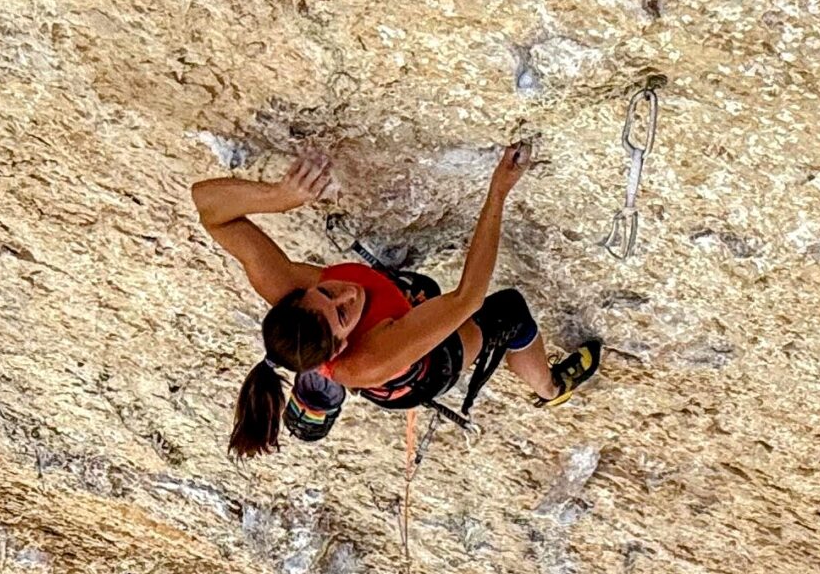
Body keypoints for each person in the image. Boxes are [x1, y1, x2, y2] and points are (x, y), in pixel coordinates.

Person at [194, 143, 601, 458]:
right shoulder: (370, 358)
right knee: (508, 311)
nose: (346, 293)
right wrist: (498, 192)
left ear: (298, 297)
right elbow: (470, 296)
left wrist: (278, 196)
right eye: (342, 313)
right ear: (338, 347)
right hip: (424, 369)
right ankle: (550, 387)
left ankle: (400, 302)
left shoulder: (287, 289)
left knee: (418, 287)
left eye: (326, 291)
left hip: (391, 325)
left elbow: (210, 209)